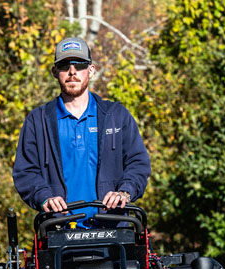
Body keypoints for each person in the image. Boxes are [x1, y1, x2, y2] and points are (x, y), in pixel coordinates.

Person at [12, 37, 151, 222]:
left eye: (79, 65)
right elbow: (25, 172)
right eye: (64, 65)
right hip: (58, 229)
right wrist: (44, 197)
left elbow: (138, 163)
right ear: (55, 71)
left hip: (113, 228)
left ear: (91, 70)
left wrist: (125, 192)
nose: (72, 72)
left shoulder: (117, 115)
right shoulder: (37, 121)